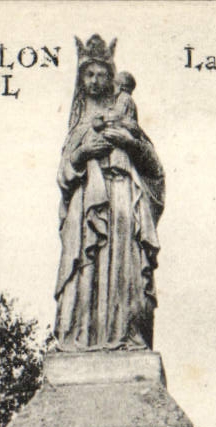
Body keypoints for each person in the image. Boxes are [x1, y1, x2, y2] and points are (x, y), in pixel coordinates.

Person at [53, 39, 165, 351]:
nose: (95, 80)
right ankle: (81, 339)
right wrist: (82, 154)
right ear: (81, 79)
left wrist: (131, 144)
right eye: (88, 74)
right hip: (86, 202)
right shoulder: (77, 123)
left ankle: (125, 336)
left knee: (124, 268)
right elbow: (63, 175)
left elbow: (155, 169)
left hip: (121, 197)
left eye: (102, 74)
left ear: (112, 77)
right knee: (86, 269)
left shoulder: (125, 114)